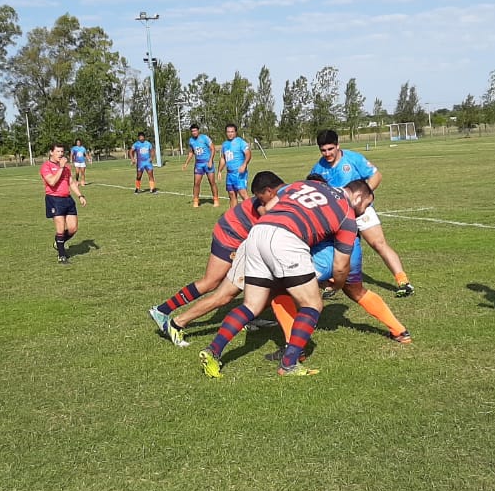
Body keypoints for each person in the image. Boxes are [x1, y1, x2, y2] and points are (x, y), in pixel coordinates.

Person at [199, 178, 374, 378]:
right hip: (287, 238)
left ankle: (213, 351)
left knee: (251, 305)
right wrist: (337, 285)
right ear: (358, 197)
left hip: (258, 232)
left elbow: (270, 206)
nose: (365, 211)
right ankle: (289, 364)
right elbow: (341, 266)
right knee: (313, 304)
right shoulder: (346, 215)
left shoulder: (308, 184)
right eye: (367, 205)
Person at [149, 170, 285, 343]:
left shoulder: (283, 195)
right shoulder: (268, 203)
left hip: (246, 238)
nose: (259, 199)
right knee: (211, 282)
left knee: (259, 282)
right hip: (230, 234)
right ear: (270, 192)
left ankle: (248, 316)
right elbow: (268, 213)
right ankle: (162, 310)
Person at [310, 130, 412, 297]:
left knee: (378, 244)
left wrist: (362, 197)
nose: (327, 153)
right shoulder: (318, 168)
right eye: (323, 150)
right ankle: (332, 284)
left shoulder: (354, 159)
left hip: (361, 212)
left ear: (338, 145)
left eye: (330, 149)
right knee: (336, 250)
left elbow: (376, 176)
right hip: (338, 217)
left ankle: (403, 282)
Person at [40, 141, 86, 264]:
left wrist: (80, 195)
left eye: (62, 151)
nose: (60, 154)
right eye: (58, 151)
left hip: (67, 199)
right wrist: (60, 167)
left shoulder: (66, 167)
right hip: (54, 199)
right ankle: (61, 256)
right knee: (60, 229)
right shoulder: (46, 166)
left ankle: (58, 242)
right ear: (51, 152)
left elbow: (71, 182)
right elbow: (52, 182)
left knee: (73, 228)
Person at [183, 123, 220, 208]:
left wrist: (210, 160)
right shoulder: (191, 140)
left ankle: (216, 199)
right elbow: (191, 152)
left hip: (207, 163)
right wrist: (186, 163)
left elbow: (213, 149)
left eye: (195, 130)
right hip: (198, 164)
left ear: (198, 131)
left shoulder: (204, 138)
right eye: (192, 131)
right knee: (196, 183)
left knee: (212, 182)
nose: (194, 132)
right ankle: (196, 201)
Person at [221, 123, 252, 209]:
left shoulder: (241, 142)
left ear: (235, 132)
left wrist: (244, 165)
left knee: (242, 193)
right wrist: (219, 170)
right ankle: (233, 214)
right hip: (229, 174)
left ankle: (253, 212)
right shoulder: (225, 144)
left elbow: (248, 154)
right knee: (231, 194)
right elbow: (223, 158)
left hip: (239, 173)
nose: (230, 134)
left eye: (232, 132)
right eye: (228, 132)